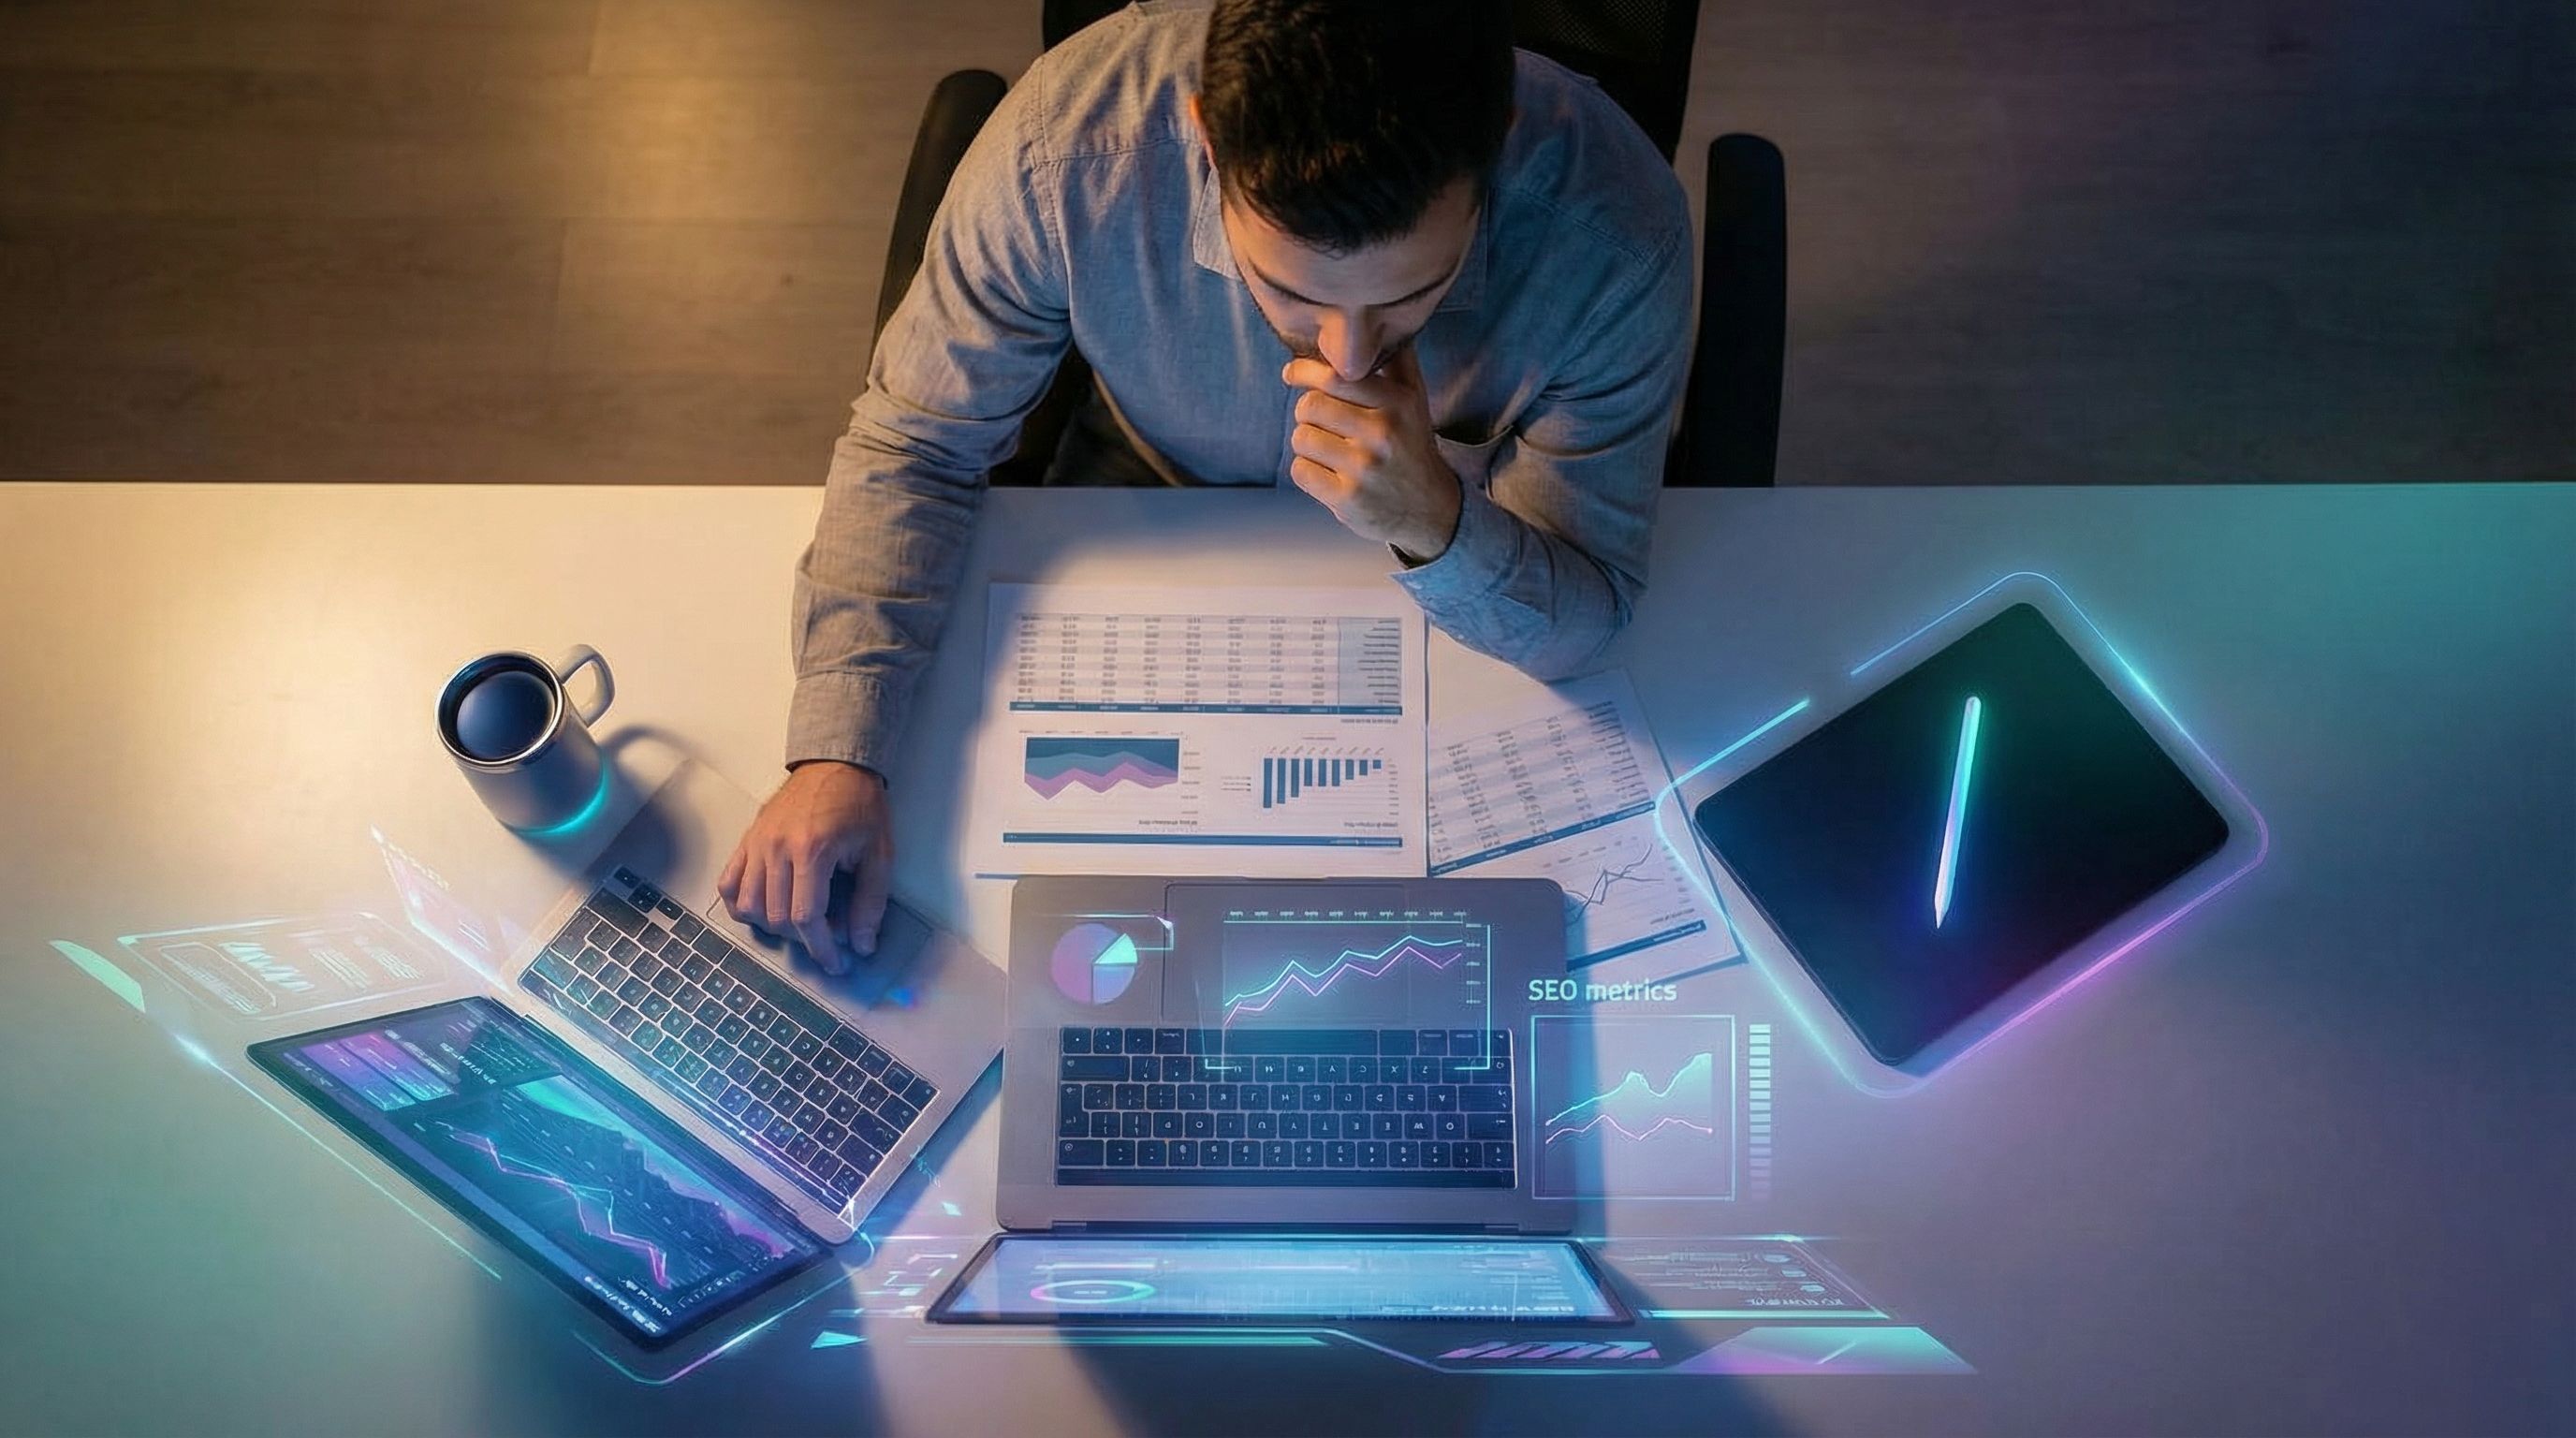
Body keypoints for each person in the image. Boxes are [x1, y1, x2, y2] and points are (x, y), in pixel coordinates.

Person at [721, 0, 1693, 969]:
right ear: (1205, 145)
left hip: (1459, 526)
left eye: (1408, 297)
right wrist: (836, 752)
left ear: (1495, 153)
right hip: (1147, 476)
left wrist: (1436, 522)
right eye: (1296, 293)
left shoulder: (1614, 230)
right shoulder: (1066, 147)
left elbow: (1588, 609)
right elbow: (917, 449)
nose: (1348, 359)